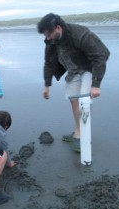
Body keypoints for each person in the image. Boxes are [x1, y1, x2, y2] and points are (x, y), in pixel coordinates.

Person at [37, 13, 110, 151]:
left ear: (58, 28)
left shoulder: (80, 34)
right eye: (45, 35)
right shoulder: (51, 41)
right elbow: (48, 63)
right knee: (73, 100)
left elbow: (99, 57)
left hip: (90, 67)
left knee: (84, 102)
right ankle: (78, 132)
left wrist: (96, 85)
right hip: (73, 70)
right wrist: (47, 85)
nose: (47, 38)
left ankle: (84, 137)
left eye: (49, 34)